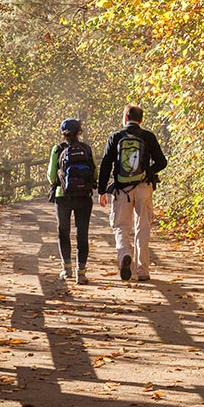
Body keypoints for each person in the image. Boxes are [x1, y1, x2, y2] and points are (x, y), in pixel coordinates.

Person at [97, 104, 167, 281]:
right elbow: (162, 162)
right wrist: (148, 172)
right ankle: (143, 270)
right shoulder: (148, 136)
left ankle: (125, 255)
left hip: (122, 189)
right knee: (142, 227)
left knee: (121, 226)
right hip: (144, 187)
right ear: (141, 120)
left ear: (126, 118)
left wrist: (102, 190)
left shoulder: (116, 137)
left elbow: (106, 165)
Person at [47, 118, 98, 284]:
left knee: (63, 232)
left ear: (62, 133)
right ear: (79, 132)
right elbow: (94, 173)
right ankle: (81, 273)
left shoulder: (57, 149)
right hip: (84, 197)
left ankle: (66, 269)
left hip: (63, 196)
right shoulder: (86, 149)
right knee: (82, 233)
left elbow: (51, 176)